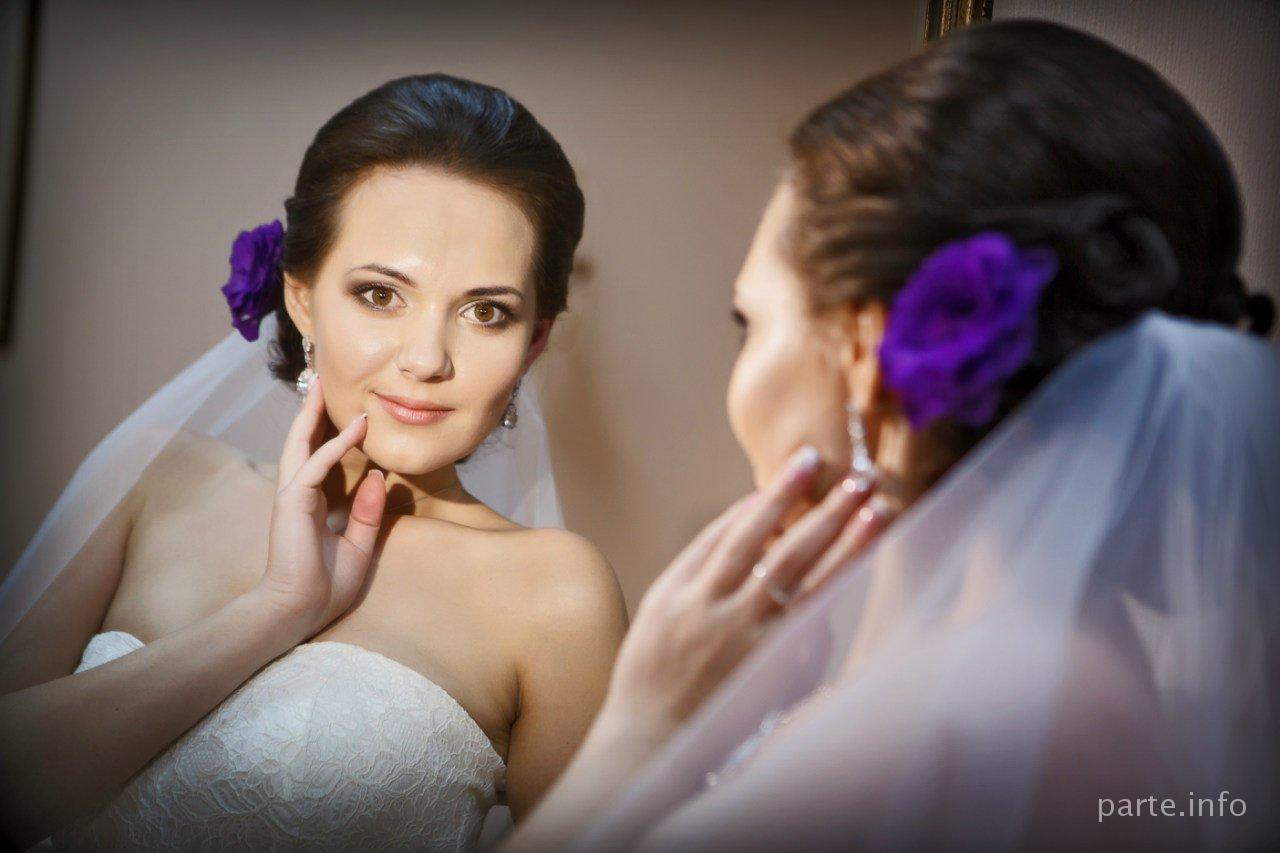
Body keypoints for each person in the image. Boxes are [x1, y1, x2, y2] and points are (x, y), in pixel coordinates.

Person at [503, 20, 1279, 852]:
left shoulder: (960, 717)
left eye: (749, 323)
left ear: (867, 349)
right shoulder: (1066, 678)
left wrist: (640, 731)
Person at [0, 73, 628, 851]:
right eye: (381, 295)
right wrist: (276, 609)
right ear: (301, 298)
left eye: (486, 311)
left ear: (533, 341)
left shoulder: (555, 594)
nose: (427, 358)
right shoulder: (155, 479)